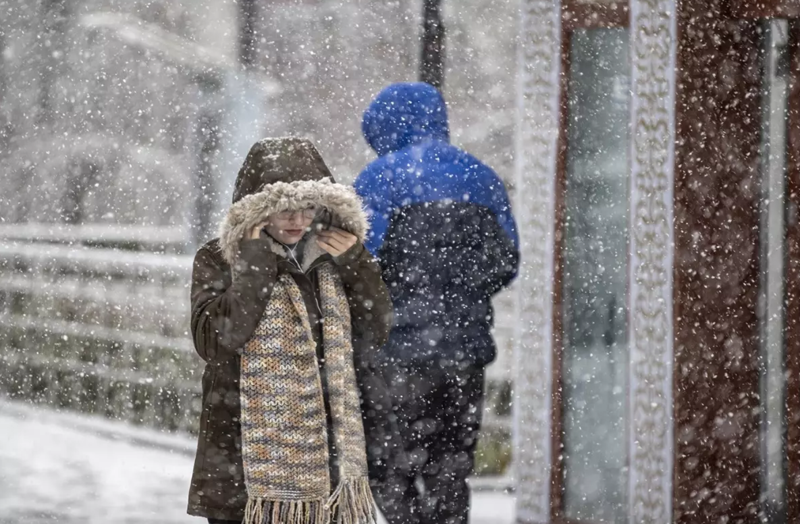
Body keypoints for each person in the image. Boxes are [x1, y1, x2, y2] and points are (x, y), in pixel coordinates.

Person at [187, 137, 393, 524]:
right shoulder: (218, 259)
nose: (298, 221)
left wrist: (356, 264)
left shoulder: (334, 257)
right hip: (241, 462)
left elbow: (378, 329)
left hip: (324, 464)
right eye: (284, 211)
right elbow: (217, 340)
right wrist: (254, 263)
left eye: (308, 208)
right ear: (256, 212)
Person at [354, 83, 520, 524]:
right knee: (451, 470)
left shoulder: (378, 180)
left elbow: (359, 265)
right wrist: (457, 299)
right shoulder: (483, 178)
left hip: (394, 356)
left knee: (392, 469)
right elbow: (506, 263)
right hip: (465, 354)